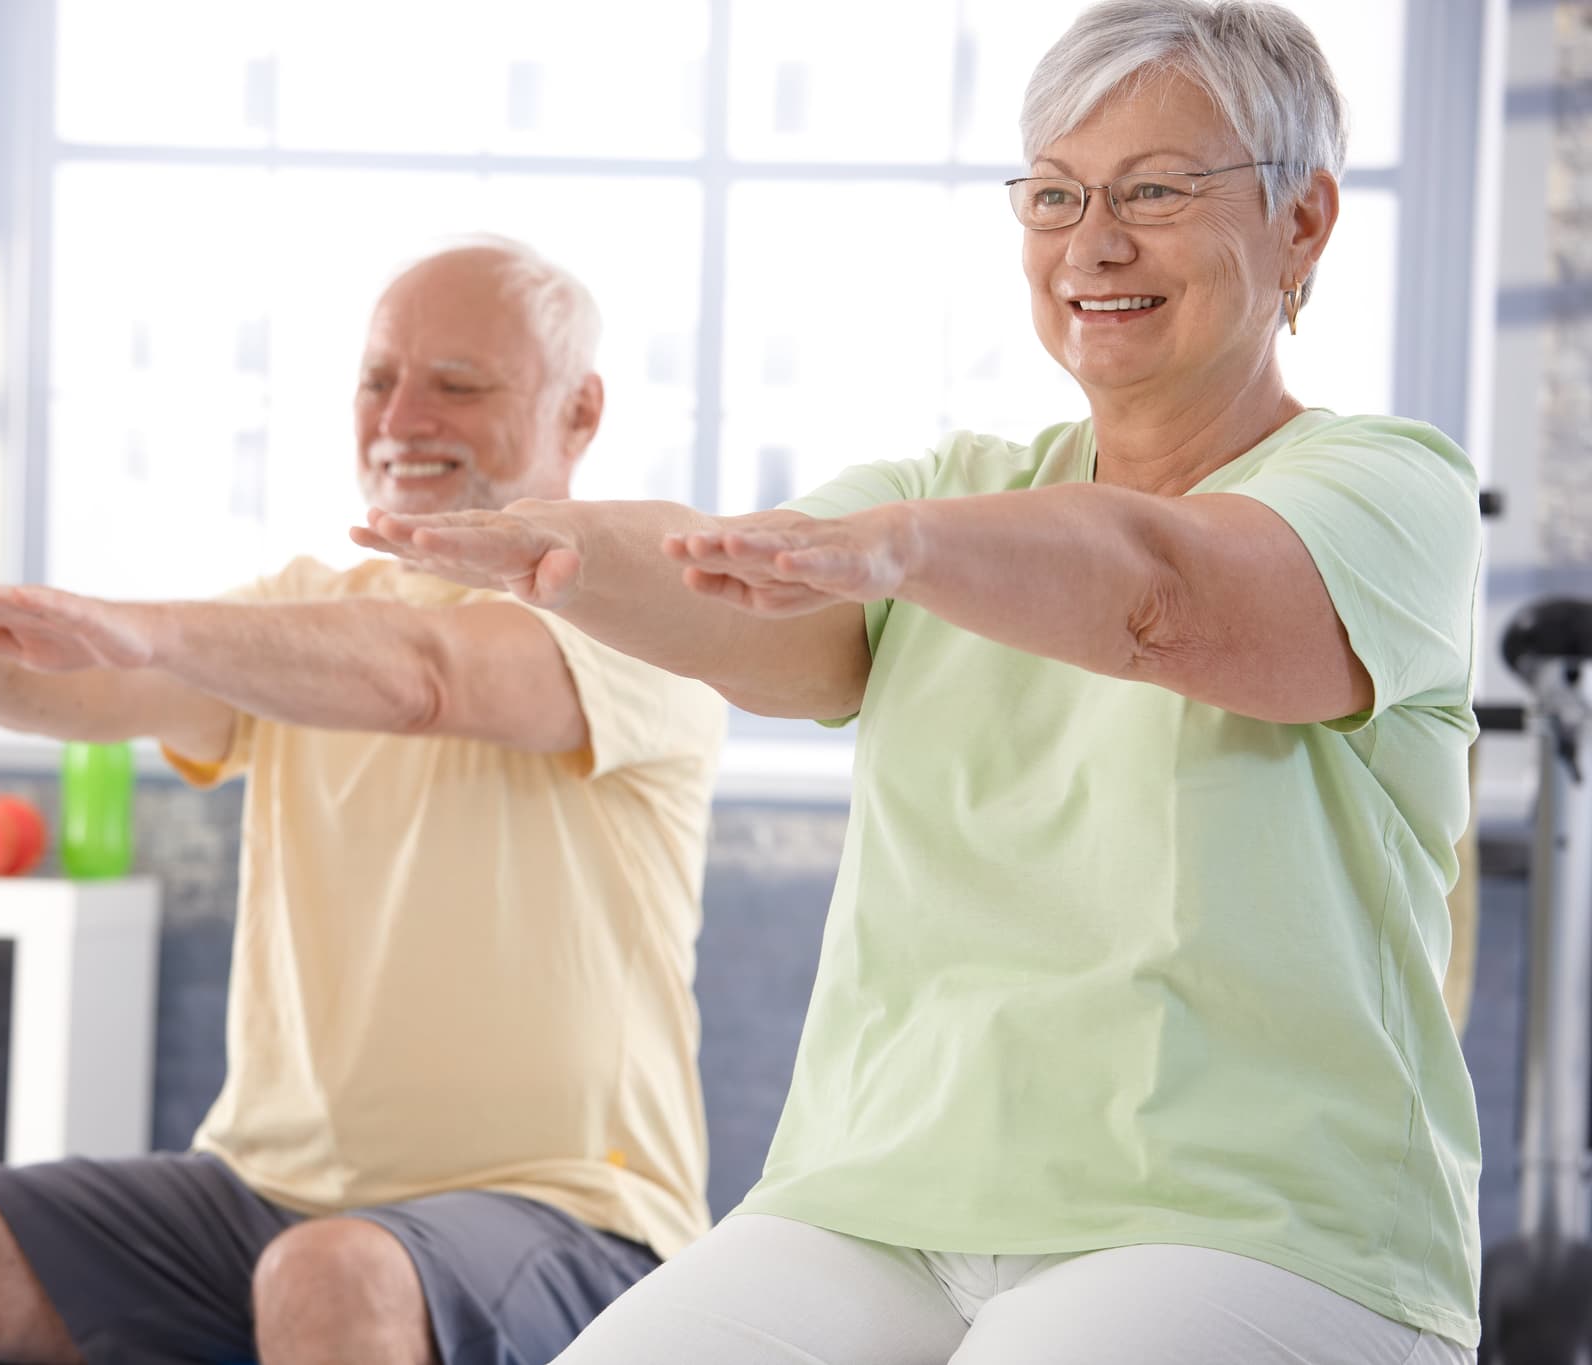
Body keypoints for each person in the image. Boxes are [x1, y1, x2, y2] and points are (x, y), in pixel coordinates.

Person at [357, 5, 1481, 1362]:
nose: (1094, 243)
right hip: (885, 1200)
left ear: (1304, 222)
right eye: (1055, 196)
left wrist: (901, 552)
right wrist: (572, 556)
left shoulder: (1385, 489)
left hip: (1257, 1218)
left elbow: (1163, 597)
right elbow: (757, 607)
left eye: (1156, 192)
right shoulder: (950, 494)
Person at [0, 237, 728, 1365]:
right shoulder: (300, 618)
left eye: (457, 385)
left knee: (331, 1274)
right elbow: (107, 682)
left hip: (569, 1215)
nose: (402, 415)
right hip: (264, 1193)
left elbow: (428, 675)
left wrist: (158, 624)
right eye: (377, 380)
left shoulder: (645, 605)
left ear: (579, 412)